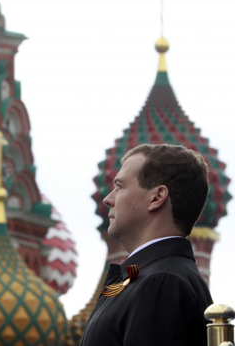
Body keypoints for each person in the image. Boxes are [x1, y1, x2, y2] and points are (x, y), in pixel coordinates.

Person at [80, 143, 213, 346]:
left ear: (157, 197)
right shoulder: (151, 277)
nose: (108, 199)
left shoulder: (161, 282)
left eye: (120, 186)